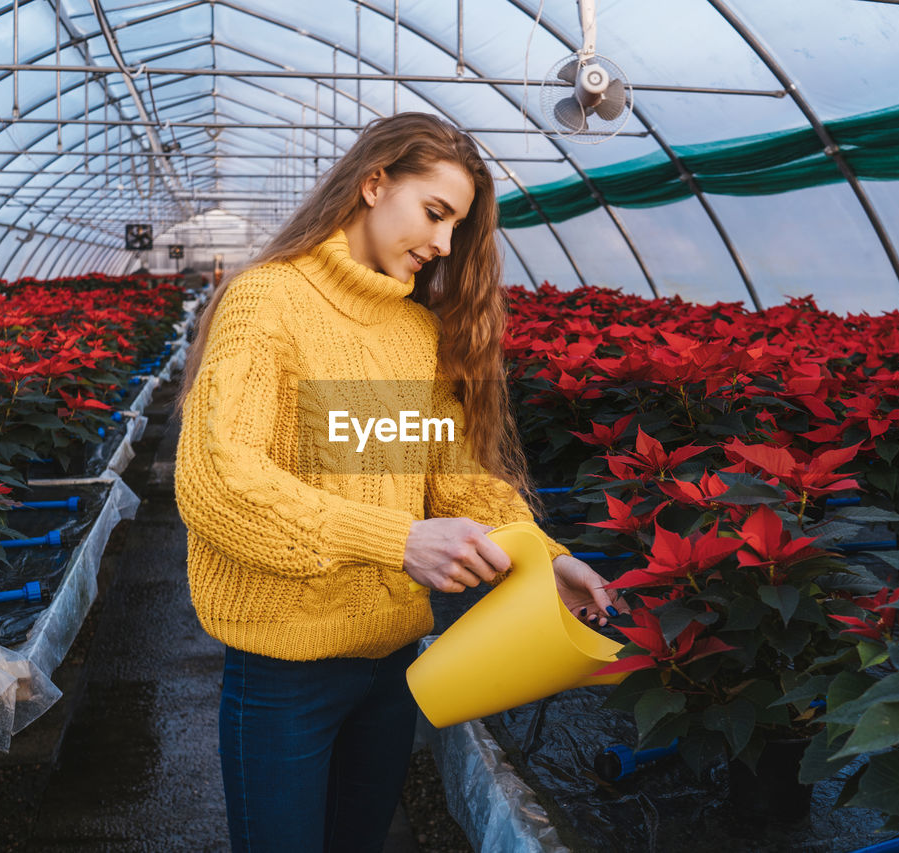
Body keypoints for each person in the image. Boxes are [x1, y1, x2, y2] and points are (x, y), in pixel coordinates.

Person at [173, 111, 626, 853]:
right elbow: (219, 480)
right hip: (285, 672)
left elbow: (455, 478)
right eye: (435, 212)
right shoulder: (270, 302)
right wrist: (398, 539)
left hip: (386, 669)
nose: (443, 244)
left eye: (456, 227)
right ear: (373, 182)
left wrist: (548, 557)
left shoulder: (413, 334)